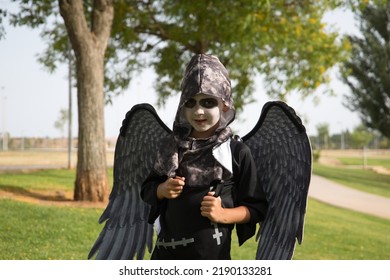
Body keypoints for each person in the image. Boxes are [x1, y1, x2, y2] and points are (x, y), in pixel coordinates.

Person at [141, 54, 267, 260]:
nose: (198, 111)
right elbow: (147, 190)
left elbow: (256, 208)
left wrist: (224, 214)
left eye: (208, 102)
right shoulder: (170, 147)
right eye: (190, 102)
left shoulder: (236, 152)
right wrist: (162, 190)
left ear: (224, 104)